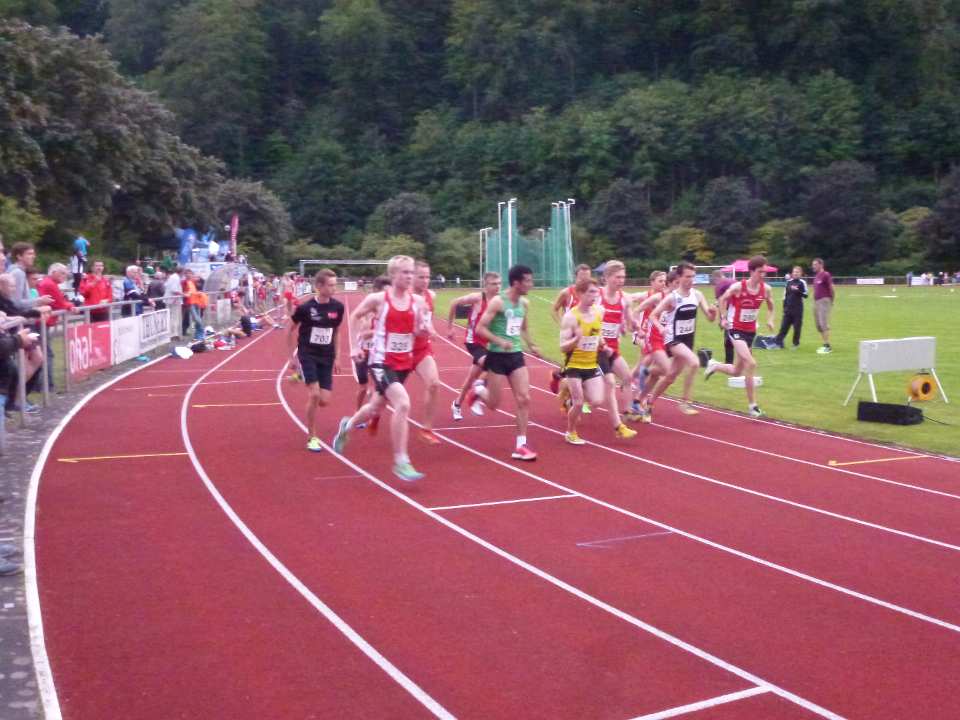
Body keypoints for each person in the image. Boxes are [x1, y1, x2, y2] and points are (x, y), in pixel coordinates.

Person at [333, 255, 430, 482]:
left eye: (411, 272)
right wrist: (355, 346)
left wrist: (423, 330)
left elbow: (418, 330)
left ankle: (347, 425)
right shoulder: (378, 299)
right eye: (405, 272)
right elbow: (355, 316)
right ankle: (401, 461)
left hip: (403, 362)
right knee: (403, 403)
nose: (409, 276)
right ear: (393, 274)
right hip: (380, 361)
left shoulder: (418, 302)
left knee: (376, 407)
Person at [466, 264, 541, 461]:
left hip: (516, 356)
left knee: (524, 398)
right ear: (516, 283)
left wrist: (531, 345)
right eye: (527, 281)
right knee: (493, 404)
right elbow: (480, 328)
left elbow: (523, 328)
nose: (531, 284)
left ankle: (521, 445)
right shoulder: (498, 302)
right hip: (497, 356)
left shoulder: (524, 303)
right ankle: (479, 390)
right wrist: (499, 341)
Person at [559, 278, 637, 444]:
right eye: (590, 292)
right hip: (574, 364)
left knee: (597, 401)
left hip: (591, 363)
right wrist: (576, 340)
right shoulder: (571, 317)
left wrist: (603, 345)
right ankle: (570, 432)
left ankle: (566, 386)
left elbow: (597, 331)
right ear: (580, 294)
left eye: (596, 292)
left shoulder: (599, 312)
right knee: (578, 403)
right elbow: (562, 347)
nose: (594, 295)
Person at [639, 262, 717, 421]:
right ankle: (685, 402)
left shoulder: (698, 295)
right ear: (679, 277)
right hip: (673, 339)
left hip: (688, 339)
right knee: (694, 362)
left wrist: (713, 312)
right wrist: (661, 328)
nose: (691, 280)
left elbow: (710, 318)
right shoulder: (672, 298)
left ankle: (649, 401)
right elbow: (653, 315)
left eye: (693, 277)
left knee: (670, 377)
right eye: (687, 277)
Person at [707, 255, 776, 417]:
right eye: (760, 272)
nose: (763, 275)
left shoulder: (766, 289)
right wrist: (723, 318)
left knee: (737, 371)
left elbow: (771, 306)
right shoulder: (738, 287)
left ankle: (714, 365)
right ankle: (753, 406)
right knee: (751, 363)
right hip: (735, 329)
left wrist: (770, 320)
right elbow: (722, 299)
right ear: (751, 271)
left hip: (750, 331)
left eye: (764, 272)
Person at [288, 269, 344, 452]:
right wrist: (291, 357)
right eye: (331, 285)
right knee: (314, 395)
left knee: (324, 401)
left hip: (326, 356)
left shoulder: (338, 307)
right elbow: (289, 330)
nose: (334, 288)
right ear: (319, 286)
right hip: (308, 354)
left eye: (335, 284)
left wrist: (338, 357)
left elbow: (337, 332)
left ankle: (301, 375)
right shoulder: (305, 308)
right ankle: (311, 436)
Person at [447, 272, 501, 420]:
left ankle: (457, 404)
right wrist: (450, 327)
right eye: (494, 284)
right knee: (493, 365)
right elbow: (454, 303)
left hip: (487, 344)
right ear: (485, 285)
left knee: (472, 377)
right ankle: (476, 394)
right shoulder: (477, 298)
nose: (497, 287)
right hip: (473, 342)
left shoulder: (499, 301)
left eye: (499, 283)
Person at [596, 260, 638, 423]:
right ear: (606, 277)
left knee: (627, 377)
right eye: (617, 277)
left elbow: (629, 320)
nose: (621, 281)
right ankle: (570, 391)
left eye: (623, 277)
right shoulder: (597, 296)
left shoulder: (625, 299)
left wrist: (634, 326)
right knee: (597, 393)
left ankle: (627, 412)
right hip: (594, 348)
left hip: (613, 348)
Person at [410, 261, 441, 444]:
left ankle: (426, 429)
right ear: (412, 277)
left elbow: (428, 320)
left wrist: (431, 330)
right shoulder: (404, 296)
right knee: (382, 398)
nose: (425, 280)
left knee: (434, 384)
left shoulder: (431, 295)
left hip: (422, 349)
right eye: (421, 277)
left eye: (428, 277)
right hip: (401, 351)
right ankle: (373, 414)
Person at [775, 265, 807, 349]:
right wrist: (784, 307)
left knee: (797, 328)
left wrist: (798, 291)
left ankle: (795, 344)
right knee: (784, 327)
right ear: (792, 273)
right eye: (794, 272)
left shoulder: (802, 282)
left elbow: (806, 295)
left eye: (797, 272)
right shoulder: (788, 282)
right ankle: (778, 343)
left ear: (801, 273)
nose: (796, 273)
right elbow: (785, 296)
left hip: (798, 309)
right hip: (788, 309)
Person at [710, 269, 735, 364]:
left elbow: (721, 302)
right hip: (742, 309)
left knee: (728, 338)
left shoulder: (719, 285)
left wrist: (721, 319)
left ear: (716, 278)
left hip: (731, 312)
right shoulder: (733, 281)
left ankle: (729, 363)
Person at [811, 257, 834, 354]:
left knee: (823, 323)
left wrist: (831, 300)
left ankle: (827, 346)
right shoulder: (816, 276)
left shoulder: (825, 275)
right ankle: (824, 344)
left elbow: (831, 288)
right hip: (816, 302)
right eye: (813, 265)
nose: (813, 266)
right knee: (818, 325)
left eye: (815, 264)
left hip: (824, 301)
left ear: (821, 265)